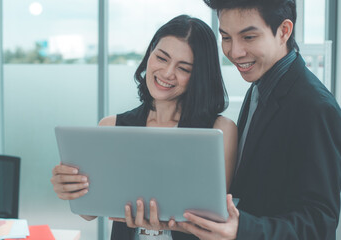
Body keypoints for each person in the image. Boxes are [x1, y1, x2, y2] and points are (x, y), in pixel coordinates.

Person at [51, 15, 237, 240]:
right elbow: (89, 213)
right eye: (161, 57)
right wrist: (70, 189)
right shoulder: (111, 126)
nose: (168, 73)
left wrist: (166, 223)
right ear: (150, 54)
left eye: (184, 68)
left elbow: (214, 222)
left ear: (199, 76)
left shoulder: (219, 131)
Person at [166, 0, 341, 239]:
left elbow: (319, 224)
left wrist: (242, 229)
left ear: (284, 31)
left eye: (248, 37)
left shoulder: (315, 107)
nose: (234, 52)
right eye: (226, 37)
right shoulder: (261, 86)